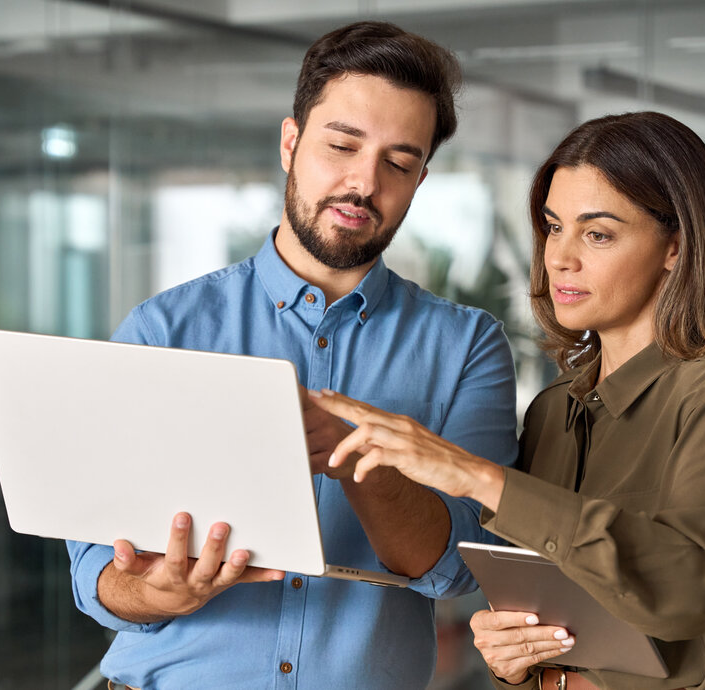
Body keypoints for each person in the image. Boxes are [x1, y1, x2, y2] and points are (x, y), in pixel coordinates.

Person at [66, 21, 520, 689]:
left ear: (420, 179)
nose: (363, 183)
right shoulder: (164, 329)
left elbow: (456, 569)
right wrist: (153, 594)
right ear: (290, 143)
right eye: (341, 145)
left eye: (398, 163)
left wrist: (354, 451)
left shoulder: (467, 346)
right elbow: (92, 571)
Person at [312, 111, 705, 690]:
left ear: (675, 246)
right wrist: (513, 659)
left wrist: (476, 476)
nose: (560, 258)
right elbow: (551, 613)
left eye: (597, 234)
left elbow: (684, 591)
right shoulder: (553, 412)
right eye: (553, 227)